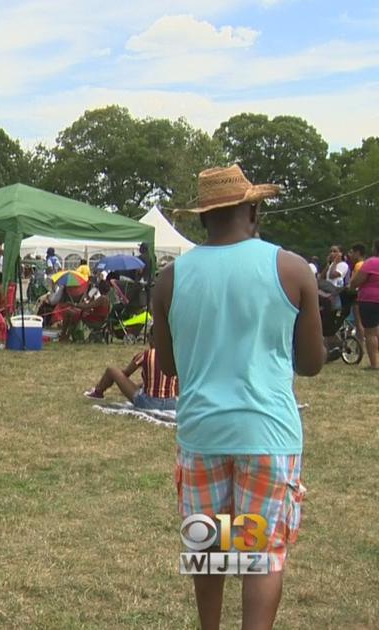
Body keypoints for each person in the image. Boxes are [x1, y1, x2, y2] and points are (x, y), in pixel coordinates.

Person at [153, 165, 324, 630]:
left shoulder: (170, 279)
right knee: (260, 553)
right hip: (268, 433)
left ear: (204, 217)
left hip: (203, 431)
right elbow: (311, 363)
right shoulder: (291, 268)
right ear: (253, 209)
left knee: (210, 545)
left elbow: (168, 368)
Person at [83, 337, 178, 410]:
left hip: (148, 402)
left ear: (151, 339)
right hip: (172, 403)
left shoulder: (145, 355)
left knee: (112, 370)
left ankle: (98, 392)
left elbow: (125, 374)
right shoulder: (175, 354)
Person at [347, 238, 379, 369]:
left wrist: (351, 287)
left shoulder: (371, 263)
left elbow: (356, 282)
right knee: (377, 331)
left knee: (370, 332)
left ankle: (374, 364)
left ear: (375, 248)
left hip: (370, 300)